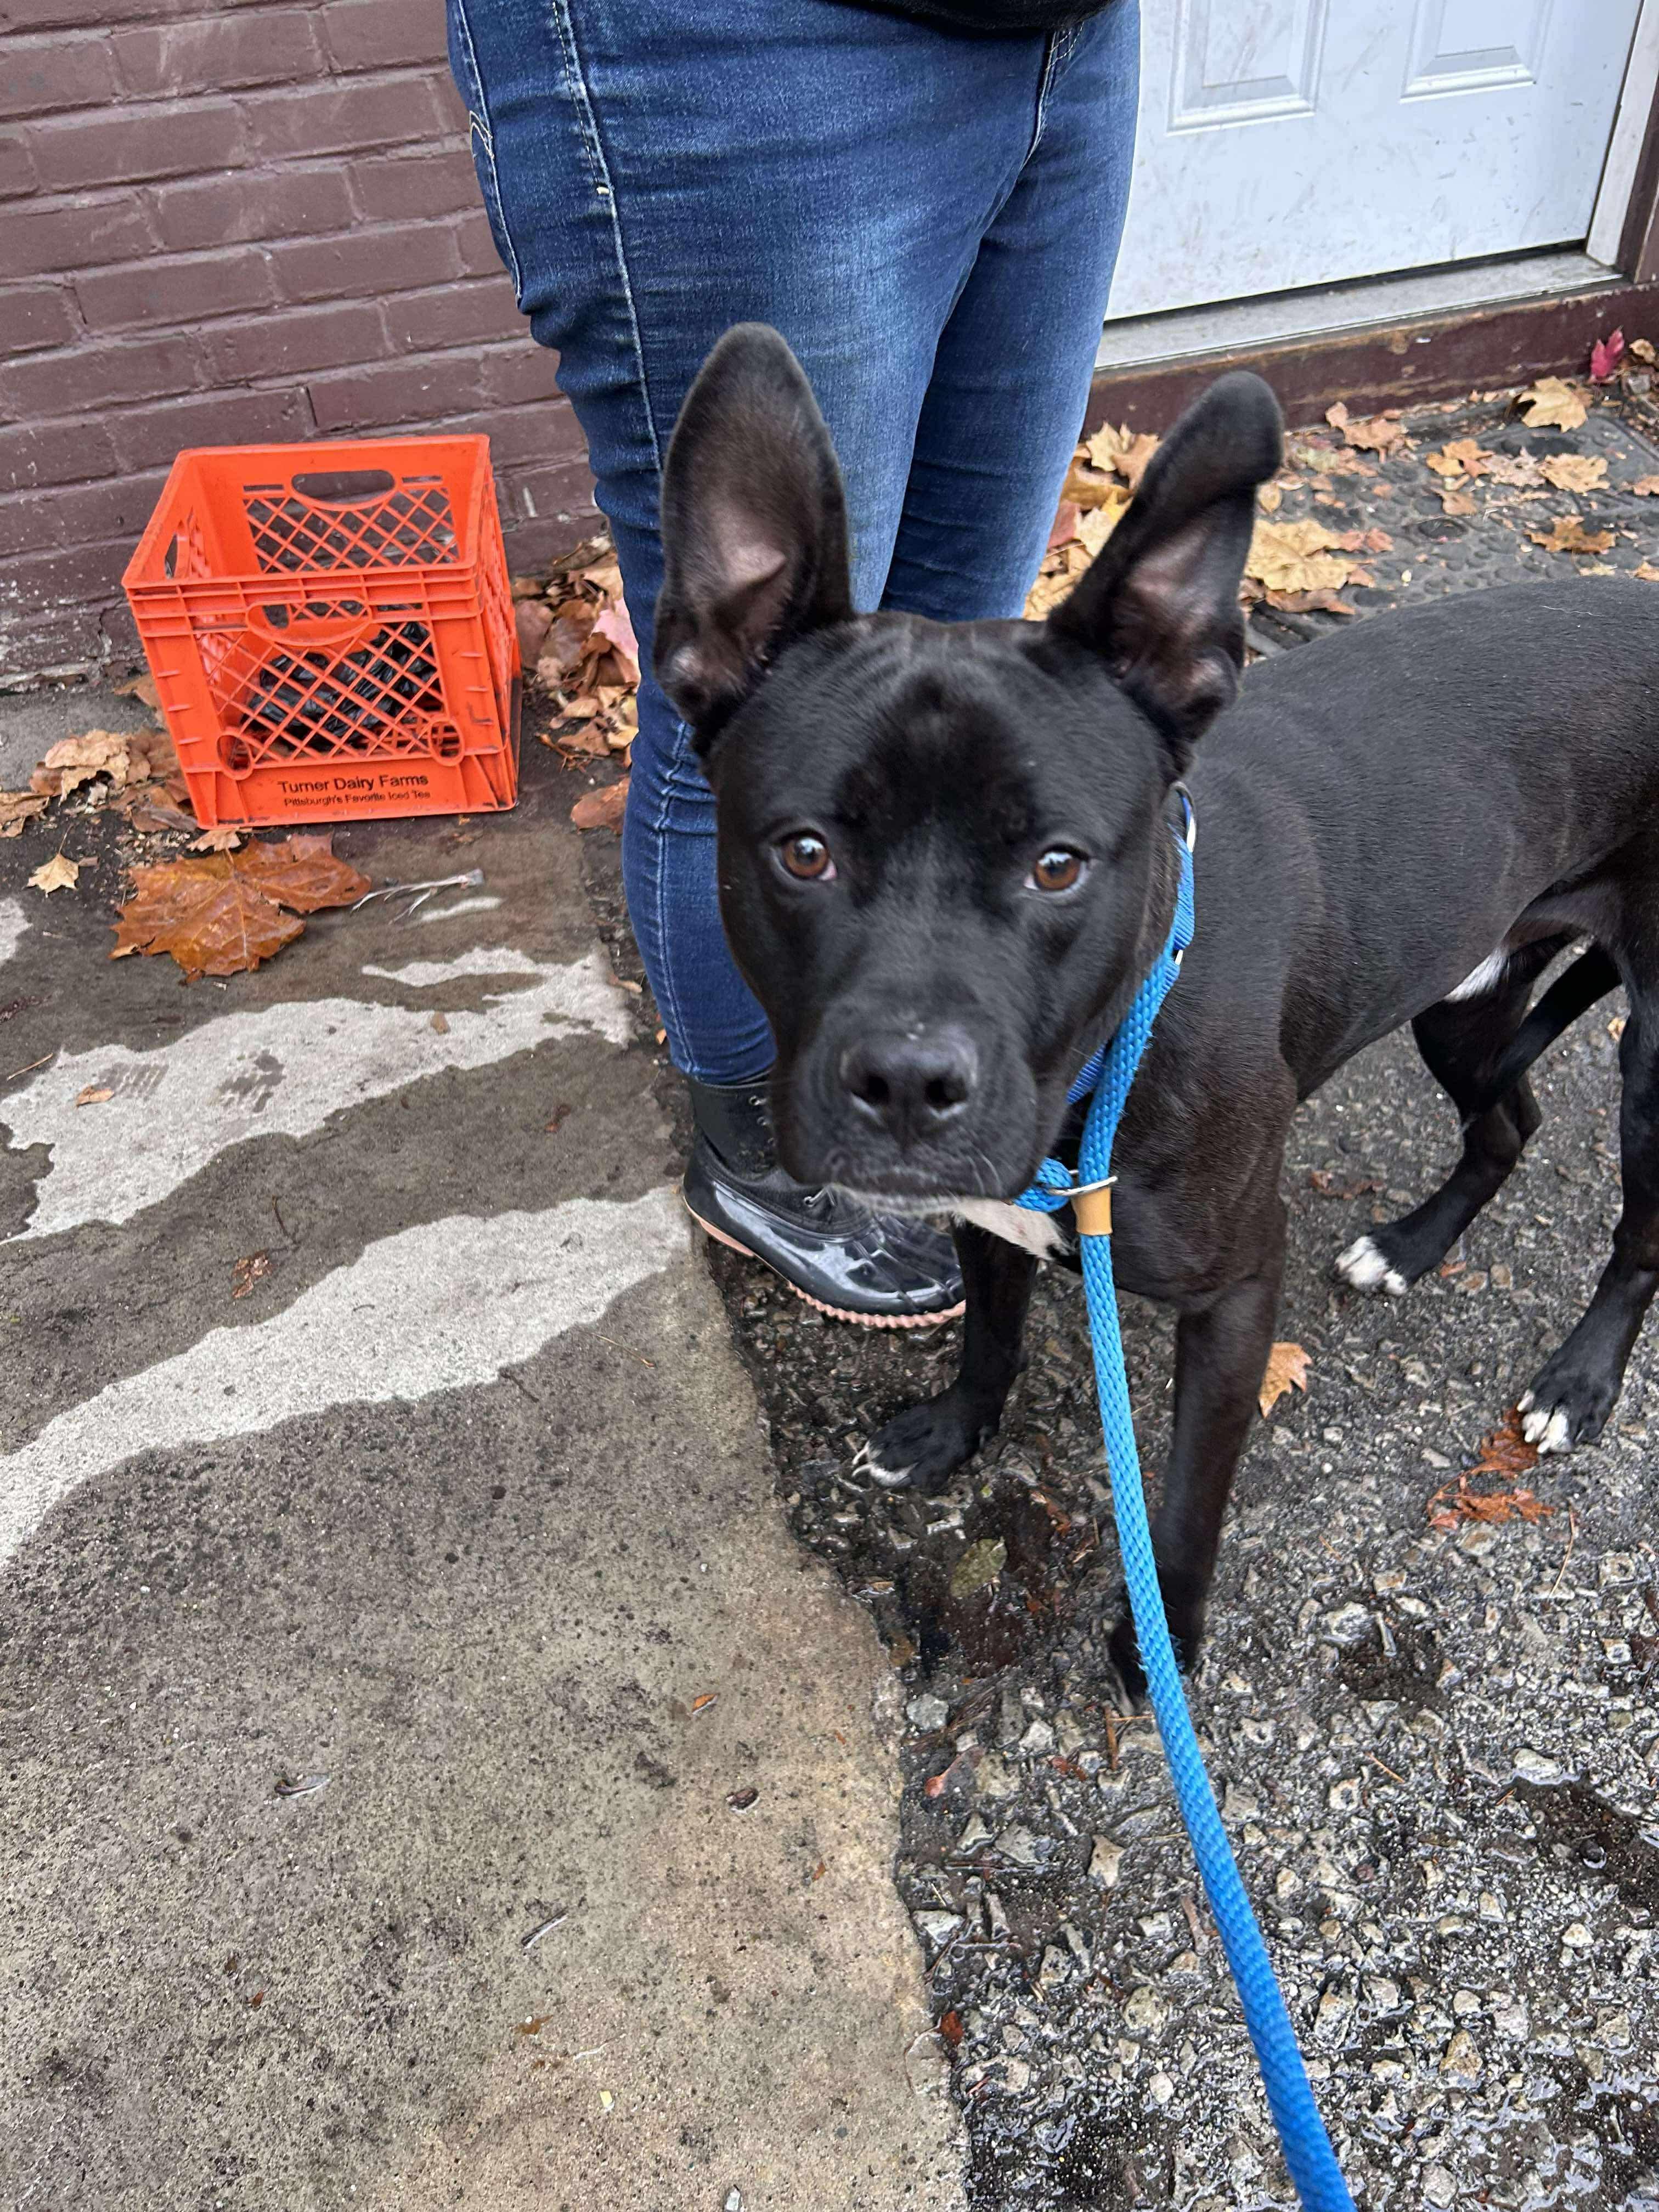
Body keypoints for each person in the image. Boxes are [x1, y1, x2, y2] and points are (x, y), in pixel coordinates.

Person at [448, 0, 1139, 1323]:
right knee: (758, 714)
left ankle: (954, 1050)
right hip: (741, 54)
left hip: (1067, 40)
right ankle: (762, 1143)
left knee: (957, 659)